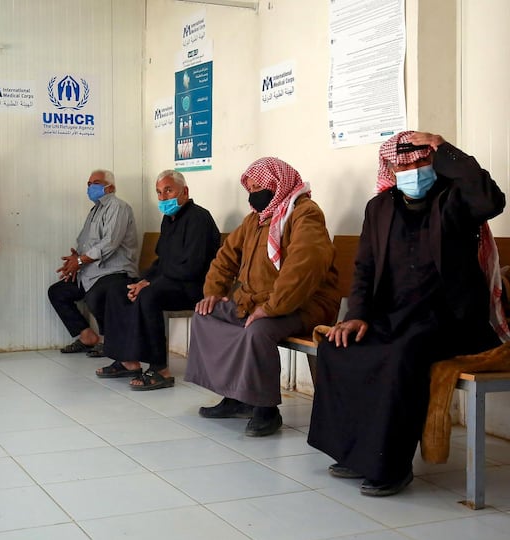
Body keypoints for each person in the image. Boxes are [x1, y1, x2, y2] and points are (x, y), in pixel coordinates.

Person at [308, 131, 506, 497]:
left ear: (433, 162)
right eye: (404, 165)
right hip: (393, 315)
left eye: (421, 162)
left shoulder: (456, 199)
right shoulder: (378, 208)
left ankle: (392, 467)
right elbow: (365, 266)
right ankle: (353, 452)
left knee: (401, 355)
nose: (413, 170)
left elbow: (491, 199)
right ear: (392, 169)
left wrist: (443, 147)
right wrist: (358, 314)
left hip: (451, 319)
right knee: (339, 347)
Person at [185, 157, 338, 437]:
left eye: (260, 187)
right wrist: (214, 294)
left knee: (258, 331)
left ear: (278, 185)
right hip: (257, 301)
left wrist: (271, 308)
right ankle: (234, 395)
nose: (255, 194)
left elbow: (304, 266)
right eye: (251, 189)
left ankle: (265, 409)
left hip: (304, 304)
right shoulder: (254, 220)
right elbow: (225, 258)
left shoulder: (304, 213)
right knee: (206, 315)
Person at [96, 170, 220, 391]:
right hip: (170, 282)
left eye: (168, 190)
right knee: (117, 290)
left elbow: (192, 267)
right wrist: (141, 281)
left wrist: (148, 285)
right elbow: (161, 261)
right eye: (159, 193)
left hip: (193, 287)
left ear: (185, 192)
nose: (163, 197)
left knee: (149, 295)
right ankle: (127, 360)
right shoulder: (169, 219)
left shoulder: (199, 218)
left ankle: (160, 369)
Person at [48, 170, 138, 357]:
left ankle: (110, 342)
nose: (90, 188)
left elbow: (109, 243)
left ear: (110, 187)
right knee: (58, 292)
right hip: (91, 272)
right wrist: (76, 258)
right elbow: (87, 241)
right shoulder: (95, 209)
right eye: (88, 184)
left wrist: (80, 261)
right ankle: (87, 336)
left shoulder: (118, 207)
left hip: (115, 272)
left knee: (96, 295)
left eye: (96, 183)